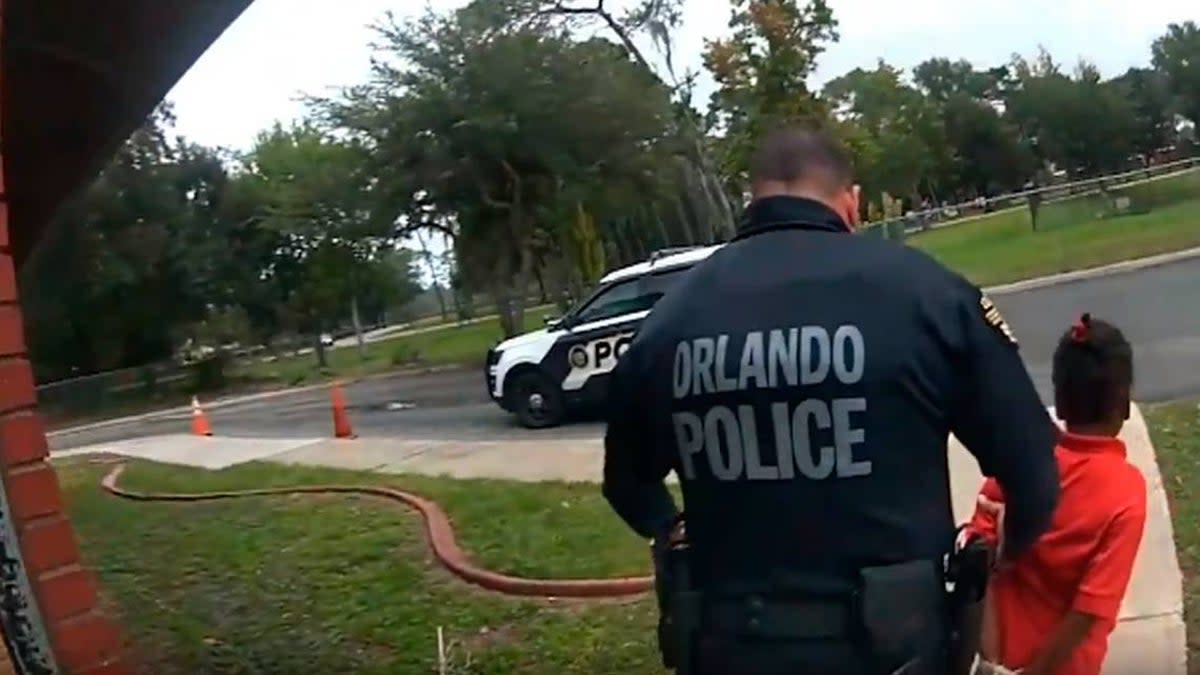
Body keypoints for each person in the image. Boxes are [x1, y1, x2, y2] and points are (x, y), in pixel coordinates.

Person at [601, 126, 1061, 675]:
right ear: (853, 202)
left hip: (731, 642)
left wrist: (672, 528)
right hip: (897, 646)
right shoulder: (929, 294)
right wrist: (1003, 557)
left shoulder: (668, 321)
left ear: (754, 198)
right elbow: (1033, 473)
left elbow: (626, 483)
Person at [968, 314, 1147, 675]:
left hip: (999, 657)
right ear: (1123, 403)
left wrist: (991, 663)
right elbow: (1089, 609)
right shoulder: (1126, 494)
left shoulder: (1021, 461)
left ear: (1061, 403)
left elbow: (976, 564)